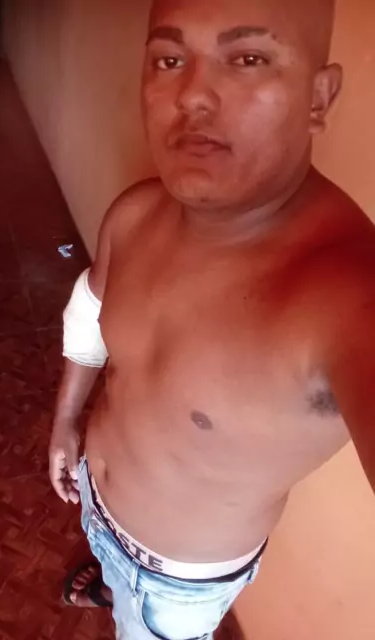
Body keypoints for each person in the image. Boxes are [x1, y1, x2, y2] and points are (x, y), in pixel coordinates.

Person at [49, 0, 375, 637]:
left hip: (175, 587)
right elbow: (90, 311)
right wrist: (66, 420)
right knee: (113, 575)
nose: (193, 96)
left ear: (319, 97)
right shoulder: (135, 214)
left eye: (248, 58)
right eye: (169, 60)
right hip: (93, 498)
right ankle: (111, 583)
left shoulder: (345, 295)